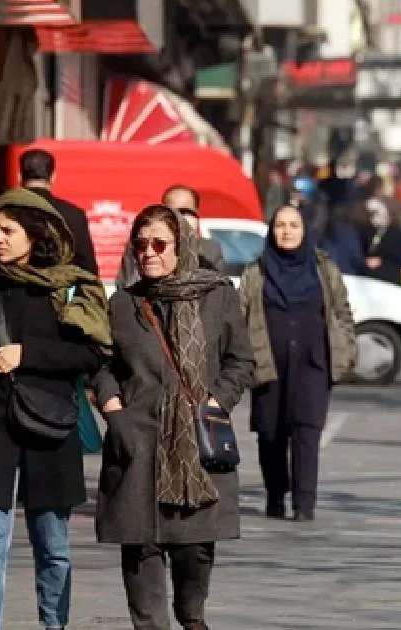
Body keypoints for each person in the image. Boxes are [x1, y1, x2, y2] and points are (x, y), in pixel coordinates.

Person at [0, 187, 111, 630]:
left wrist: (26, 354)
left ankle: (54, 624)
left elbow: (90, 356)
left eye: (8, 230)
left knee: (52, 545)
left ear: (34, 234)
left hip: (49, 428)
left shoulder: (66, 287)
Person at [93, 205, 254, 630]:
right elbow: (100, 364)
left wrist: (217, 403)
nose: (148, 253)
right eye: (141, 244)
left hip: (196, 445)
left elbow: (240, 361)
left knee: (194, 551)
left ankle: (191, 615)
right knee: (141, 549)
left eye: (159, 244)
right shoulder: (123, 304)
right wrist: (114, 411)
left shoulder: (218, 296)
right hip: (138, 444)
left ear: (181, 247)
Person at [239, 204, 357, 521]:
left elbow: (343, 313)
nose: (287, 231)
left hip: (313, 363)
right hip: (268, 364)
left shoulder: (323, 269)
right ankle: (276, 493)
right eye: (281, 225)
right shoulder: (256, 272)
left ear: (304, 231)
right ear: (271, 231)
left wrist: (344, 351)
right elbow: (241, 318)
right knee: (270, 434)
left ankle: (305, 503)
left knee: (308, 432)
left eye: (294, 225)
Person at [20, 148, 99, 274]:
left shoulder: (4, 211)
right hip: (59, 290)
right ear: (53, 176)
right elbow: (88, 269)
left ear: (19, 176)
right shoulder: (74, 215)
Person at [162, 184, 225, 270]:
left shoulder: (210, 250)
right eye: (172, 212)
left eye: (185, 212)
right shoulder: (150, 248)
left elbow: (215, 280)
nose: (179, 217)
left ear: (195, 213)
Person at [360, 197, 401, 286]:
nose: (372, 218)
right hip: (368, 281)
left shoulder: (398, 233)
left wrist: (381, 261)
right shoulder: (366, 232)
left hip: (388, 281)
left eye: (375, 213)